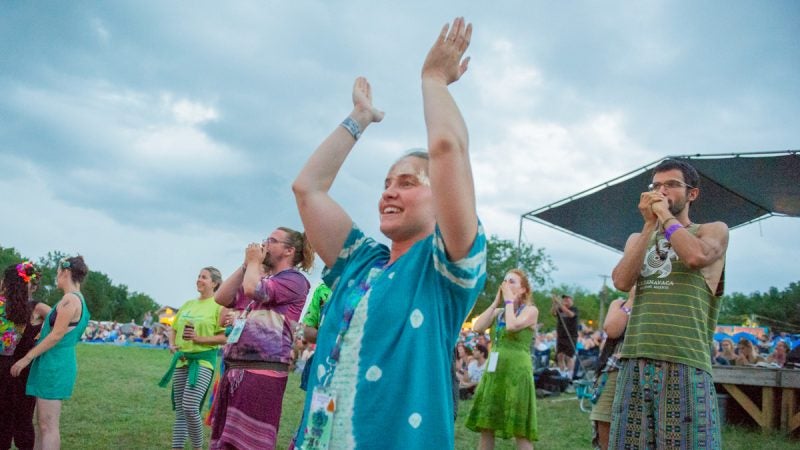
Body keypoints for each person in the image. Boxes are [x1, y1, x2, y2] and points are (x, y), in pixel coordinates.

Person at [291, 16, 486, 449]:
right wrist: (359, 119)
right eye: (385, 184)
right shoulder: (361, 261)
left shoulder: (445, 269)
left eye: (408, 182)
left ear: (445, 200)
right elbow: (308, 189)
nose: (389, 193)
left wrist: (434, 79)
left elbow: (447, 148)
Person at [610, 159, 729, 449]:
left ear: (692, 194)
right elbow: (622, 282)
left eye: (672, 185)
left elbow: (696, 258)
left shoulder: (711, 230)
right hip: (635, 356)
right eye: (656, 186)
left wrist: (663, 214)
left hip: (685, 359)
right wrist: (650, 223)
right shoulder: (638, 238)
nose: (662, 191)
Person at [210, 228, 312, 450]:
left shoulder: (295, 280)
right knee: (225, 442)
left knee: (248, 444)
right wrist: (247, 264)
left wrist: (255, 262)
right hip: (236, 369)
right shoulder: (259, 274)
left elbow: (252, 288)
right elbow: (221, 297)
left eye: (272, 241)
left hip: (262, 371)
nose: (265, 244)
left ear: (289, 251)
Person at [11, 256, 91, 450]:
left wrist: (26, 358)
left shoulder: (70, 300)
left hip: (55, 366)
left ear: (65, 272)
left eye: (57, 273)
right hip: (54, 363)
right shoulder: (73, 299)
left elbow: (57, 335)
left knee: (48, 426)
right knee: (43, 426)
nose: (57, 277)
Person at [465, 269, 538, 449]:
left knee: (520, 429)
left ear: (523, 290)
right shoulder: (499, 312)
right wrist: (496, 302)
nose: (506, 284)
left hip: (517, 372)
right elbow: (478, 327)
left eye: (512, 281)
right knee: (486, 425)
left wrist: (508, 301)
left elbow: (512, 326)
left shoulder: (530, 311)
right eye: (504, 280)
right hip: (495, 371)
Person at [159, 267, 226, 450]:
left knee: (189, 406)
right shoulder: (188, 304)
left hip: (203, 361)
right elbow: (173, 328)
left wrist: (198, 339)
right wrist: (172, 344)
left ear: (214, 283)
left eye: (204, 277)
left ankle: (198, 447)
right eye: (198, 276)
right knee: (181, 411)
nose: (199, 280)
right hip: (182, 360)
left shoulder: (219, 307)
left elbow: (224, 337)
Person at [0, 262, 51, 450]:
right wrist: (43, 337)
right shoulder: (36, 308)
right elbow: (64, 322)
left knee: (3, 421)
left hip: (7, 367)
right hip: (24, 370)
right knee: (23, 420)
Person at [589, 288, 634, 450]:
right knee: (603, 419)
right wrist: (631, 300)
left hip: (642, 370)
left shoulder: (660, 305)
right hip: (613, 369)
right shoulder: (619, 304)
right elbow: (612, 330)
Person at [551, 294, 579, 378]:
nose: (565, 300)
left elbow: (570, 314)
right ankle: (562, 374)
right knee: (560, 356)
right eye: (564, 299)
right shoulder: (560, 309)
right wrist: (554, 303)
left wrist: (560, 304)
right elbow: (553, 313)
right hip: (561, 336)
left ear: (572, 300)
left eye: (567, 299)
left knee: (569, 356)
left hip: (571, 336)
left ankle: (569, 376)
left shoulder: (574, 309)